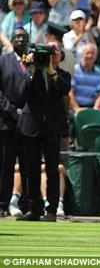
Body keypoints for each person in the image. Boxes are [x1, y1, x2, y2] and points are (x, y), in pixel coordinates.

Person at [16, 40, 70, 222]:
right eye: (49, 50)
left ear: (60, 55)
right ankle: (33, 208)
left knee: (52, 169)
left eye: (55, 50)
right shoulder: (32, 73)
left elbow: (65, 89)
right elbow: (21, 95)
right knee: (31, 168)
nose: (52, 53)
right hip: (32, 127)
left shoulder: (62, 74)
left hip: (52, 128)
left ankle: (52, 209)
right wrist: (30, 70)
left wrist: (51, 71)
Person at [0, 27, 28, 217]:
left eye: (23, 37)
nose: (20, 40)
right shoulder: (3, 61)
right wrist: (11, 110)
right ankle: (2, 204)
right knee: (5, 165)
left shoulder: (33, 62)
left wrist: (24, 113)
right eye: (17, 36)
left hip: (28, 123)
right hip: (6, 122)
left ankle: (26, 204)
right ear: (11, 40)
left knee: (28, 165)